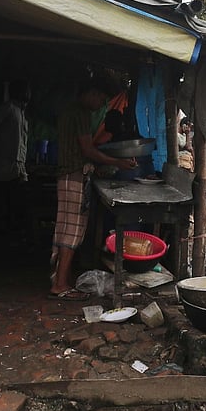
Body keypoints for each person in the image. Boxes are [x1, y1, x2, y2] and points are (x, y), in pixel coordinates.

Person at [49, 77, 138, 300]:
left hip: (70, 175)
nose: (101, 103)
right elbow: (88, 150)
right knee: (72, 231)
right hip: (73, 175)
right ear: (90, 93)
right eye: (101, 98)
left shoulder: (72, 111)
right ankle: (59, 285)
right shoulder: (78, 113)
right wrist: (116, 162)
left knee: (66, 229)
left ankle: (60, 279)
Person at [0, 79, 31, 183]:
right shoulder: (8, 107)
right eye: (26, 90)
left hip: (20, 163)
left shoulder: (22, 112)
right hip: (6, 162)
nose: (28, 93)